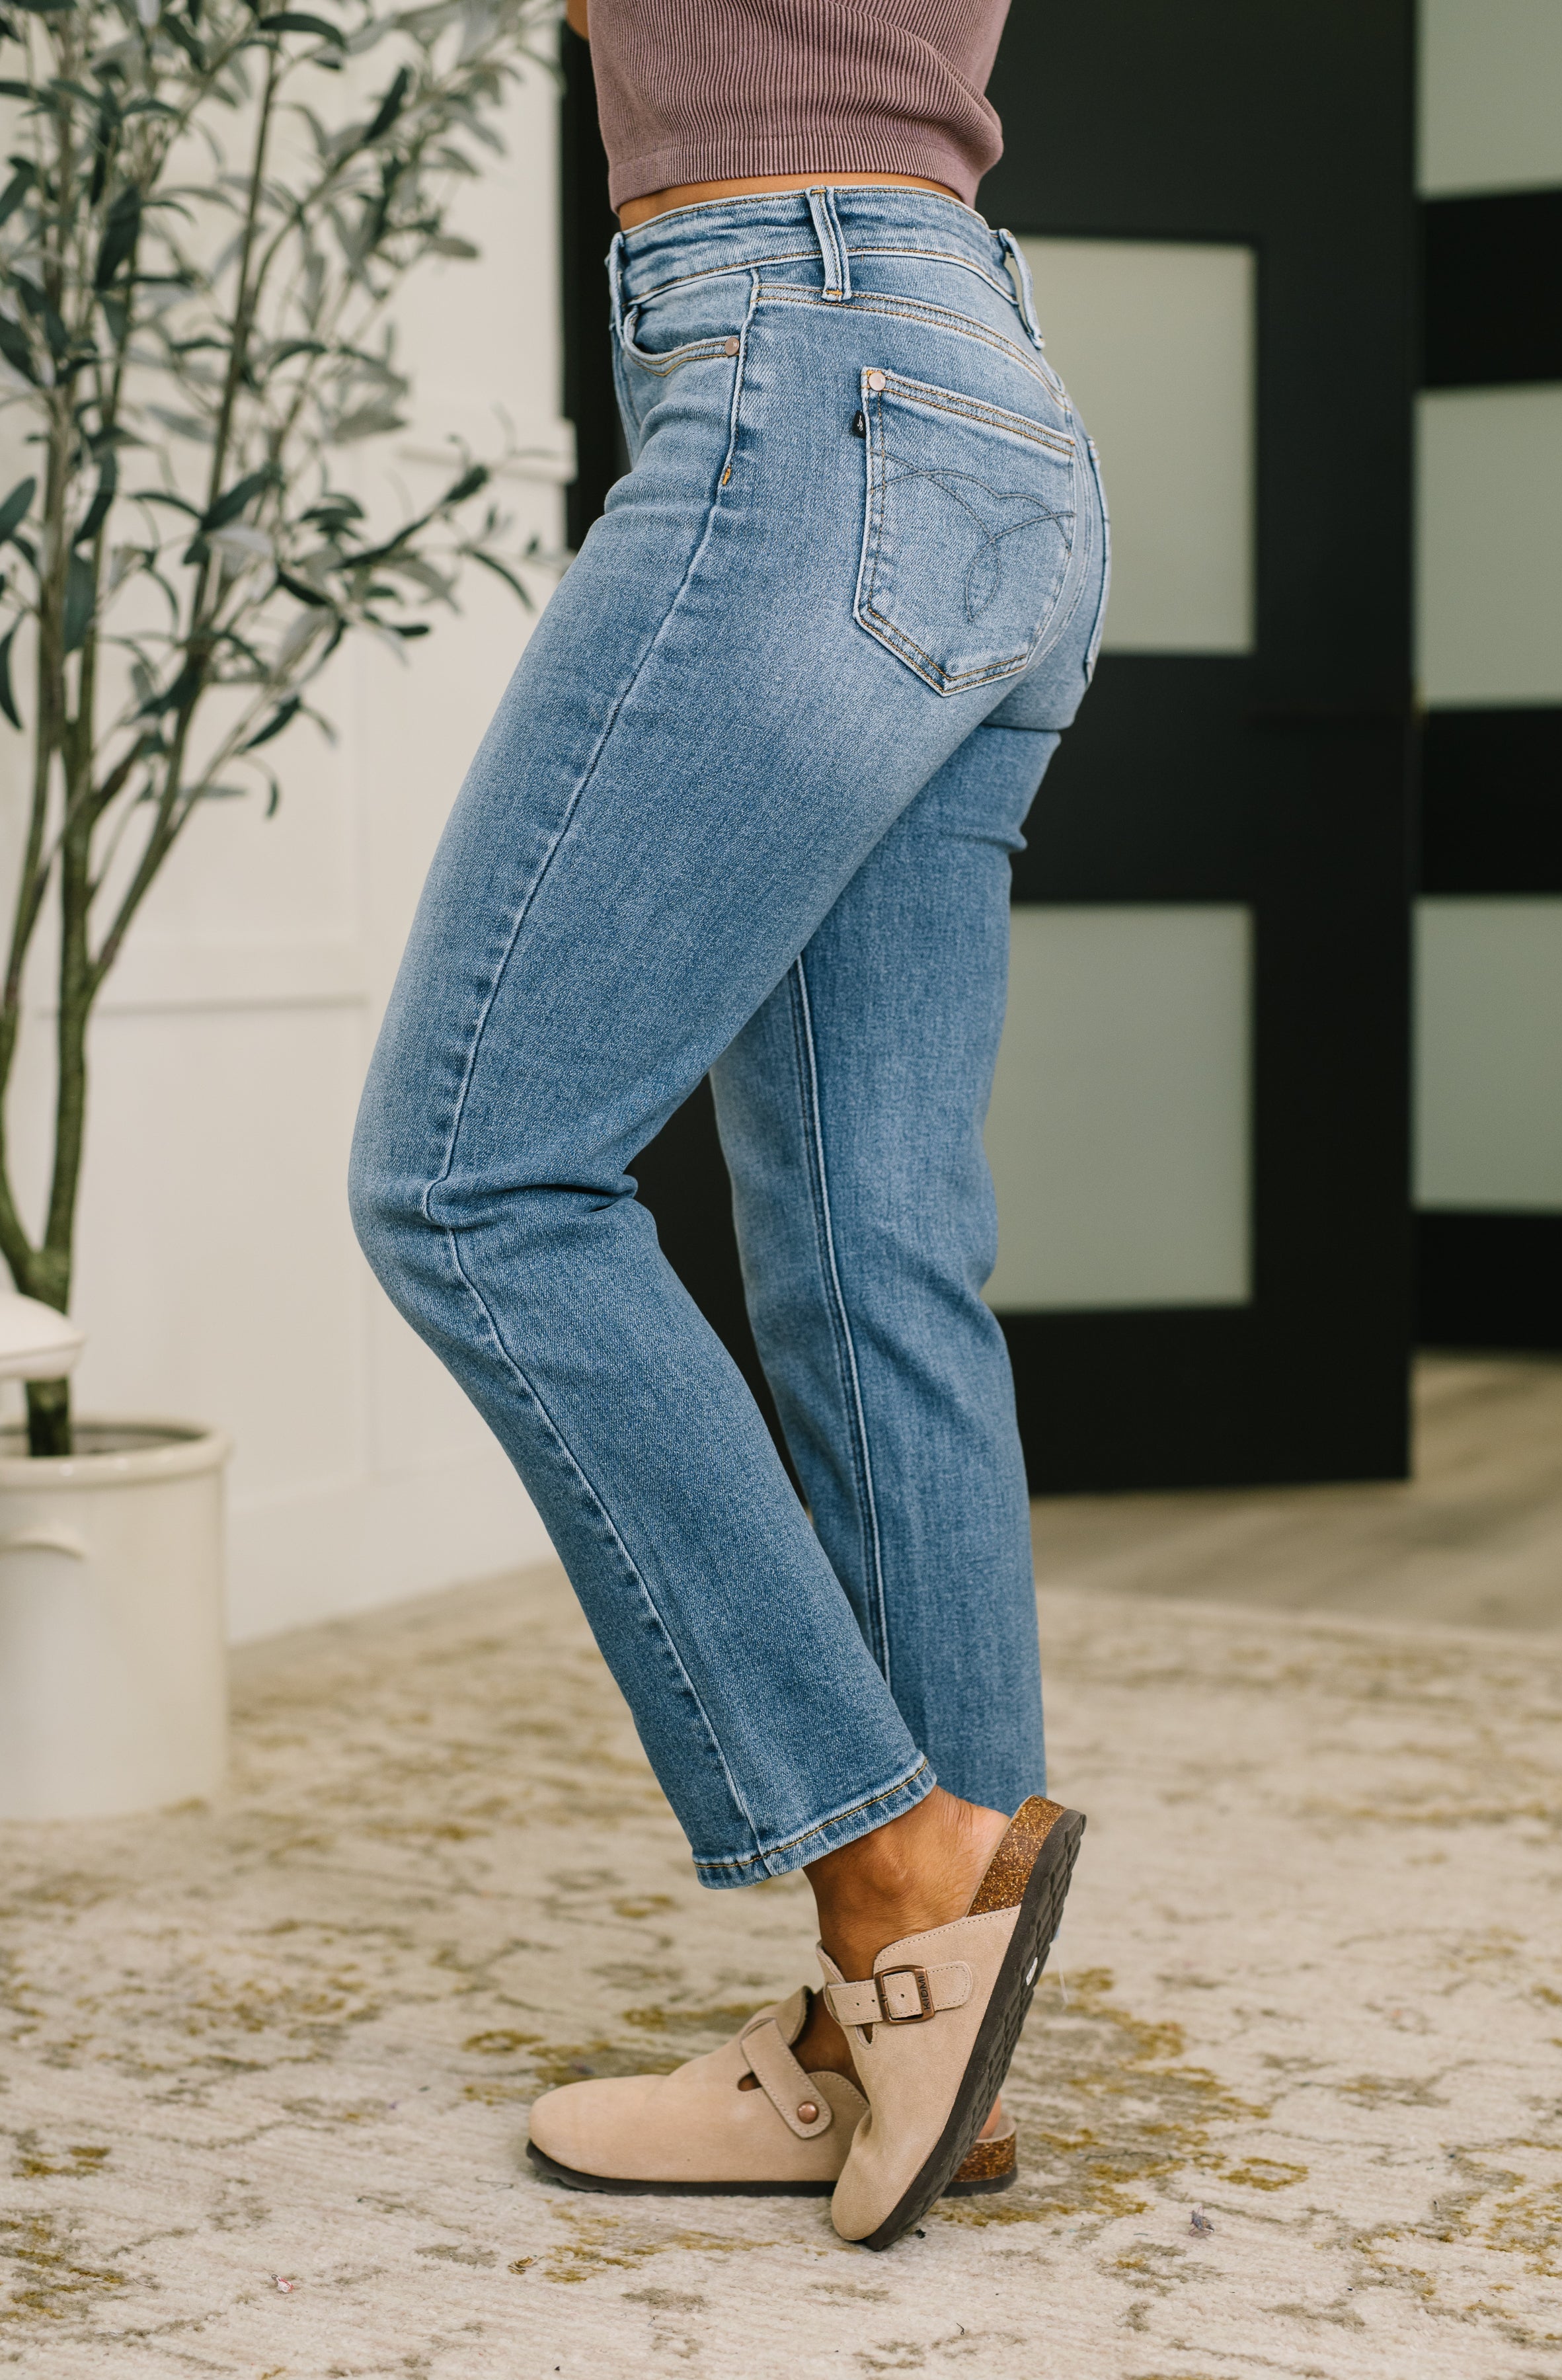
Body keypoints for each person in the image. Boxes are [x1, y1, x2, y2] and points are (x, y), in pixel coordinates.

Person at [349, 0, 1108, 2252]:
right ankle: (916, 2038)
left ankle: (891, 1858)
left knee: (472, 1180)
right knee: (873, 1248)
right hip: (968, 386)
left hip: (805, 354)